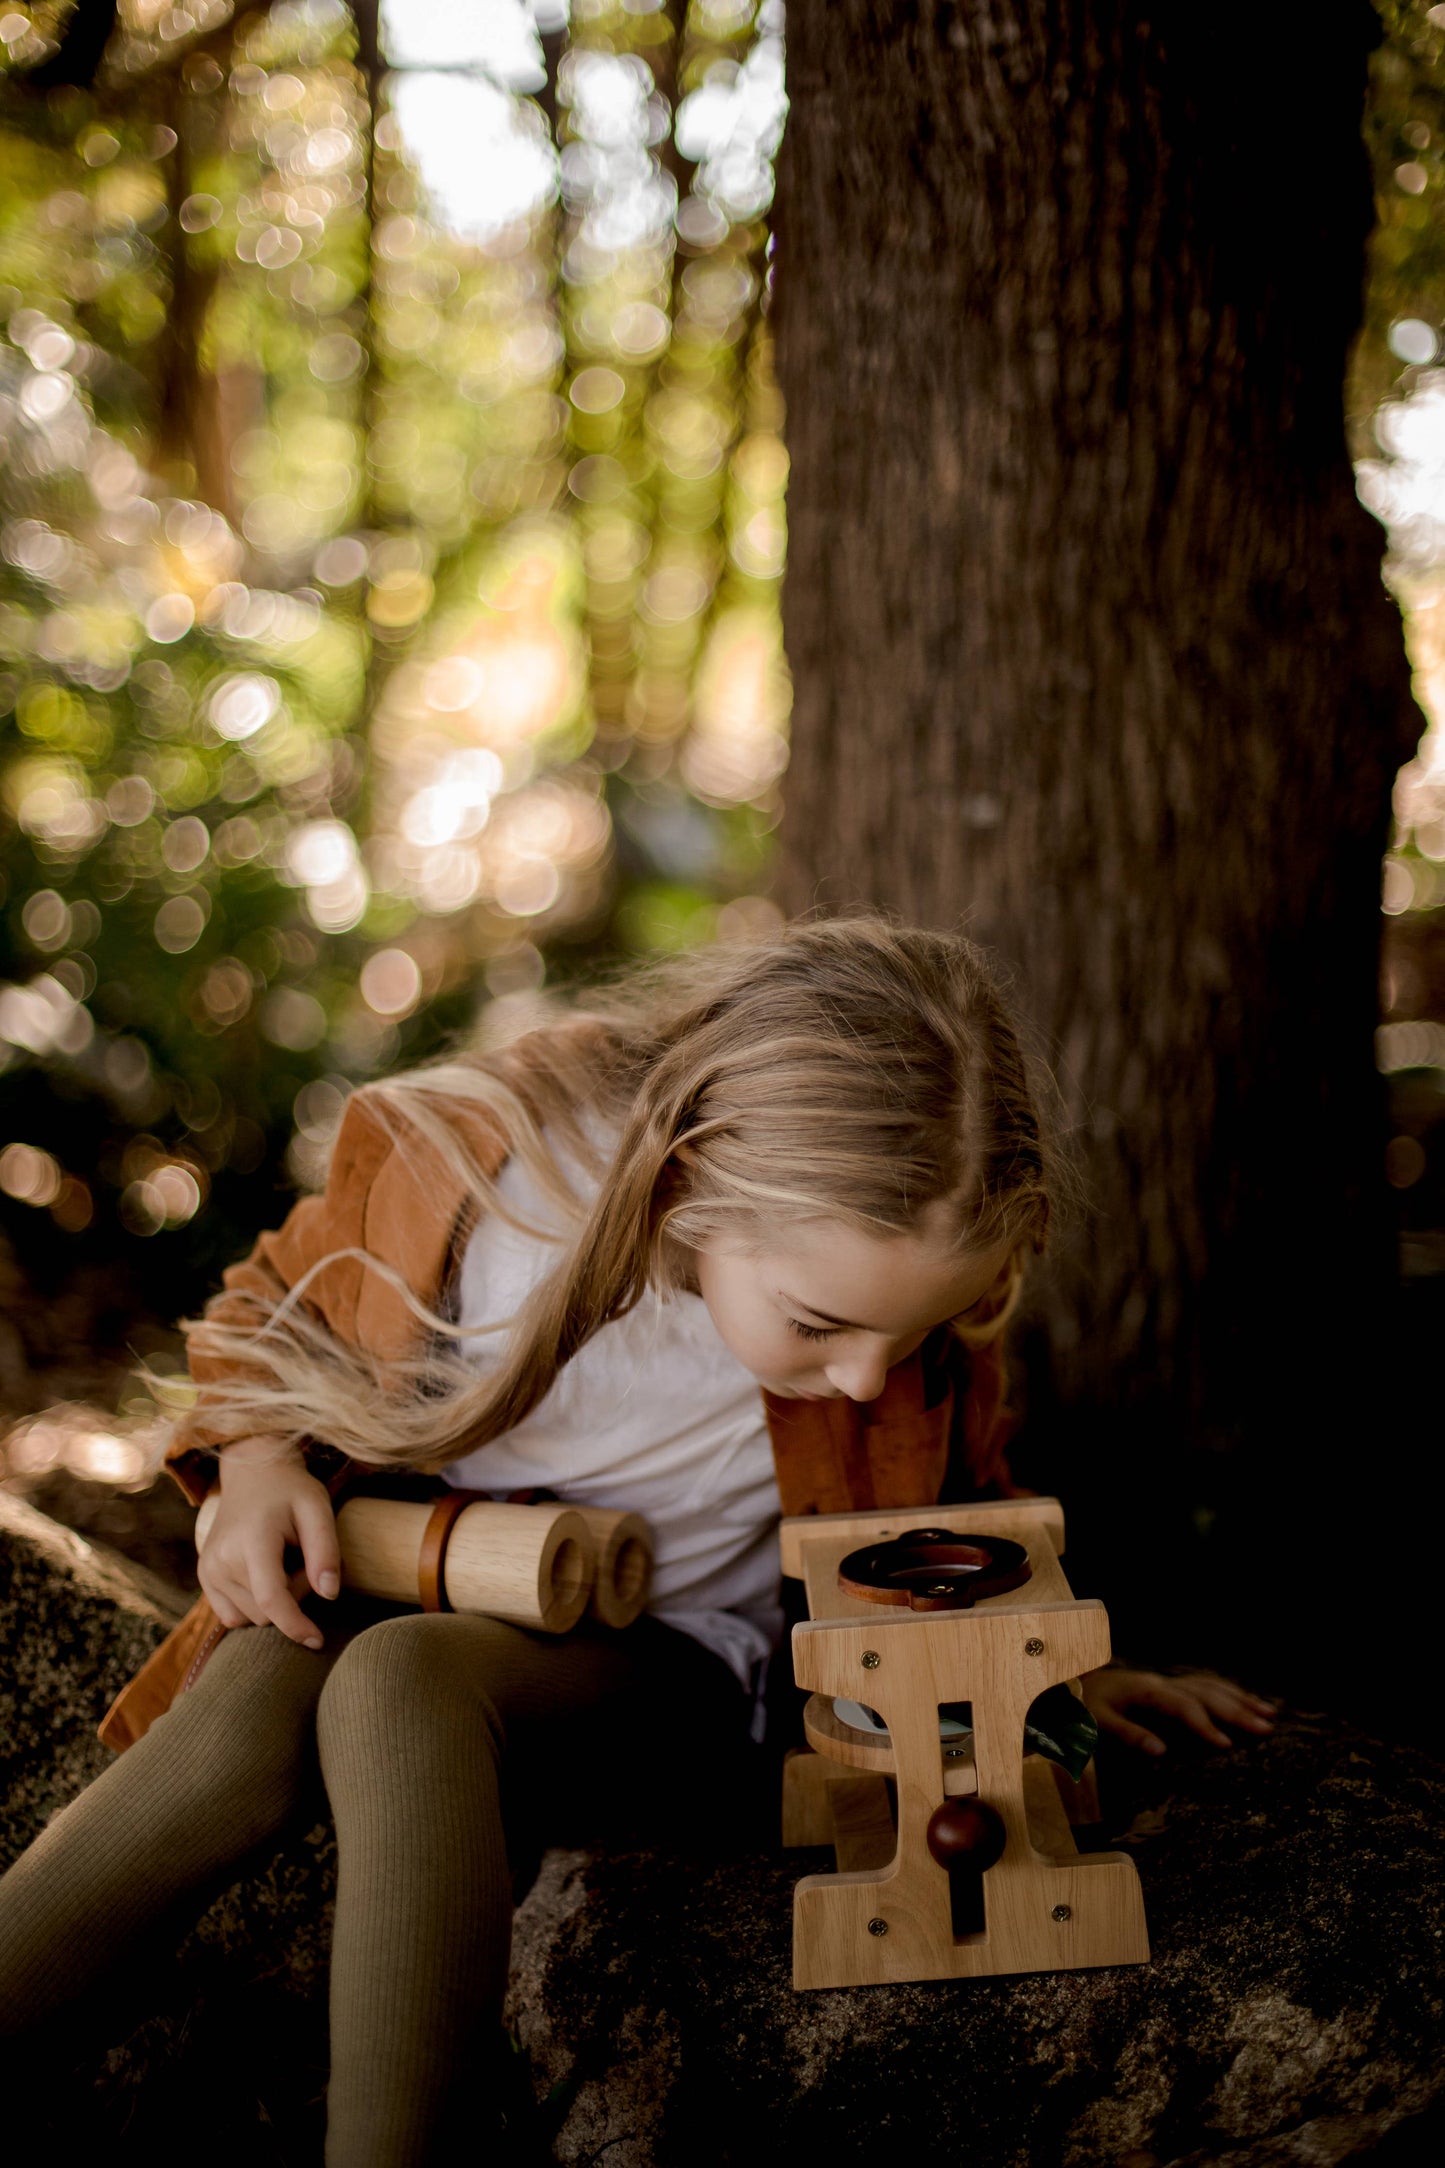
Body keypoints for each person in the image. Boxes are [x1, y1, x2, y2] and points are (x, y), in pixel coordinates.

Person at [0, 917, 1274, 2162]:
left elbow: (955, 1506)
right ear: (697, 1170)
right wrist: (261, 1458)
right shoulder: (490, 1170)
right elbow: (277, 1297)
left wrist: (1044, 1684)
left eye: (910, 1334)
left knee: (400, 1682)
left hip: (686, 1670)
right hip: (443, 1568)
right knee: (260, 1678)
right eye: (820, 1322)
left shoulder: (882, 1310)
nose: (865, 1376)